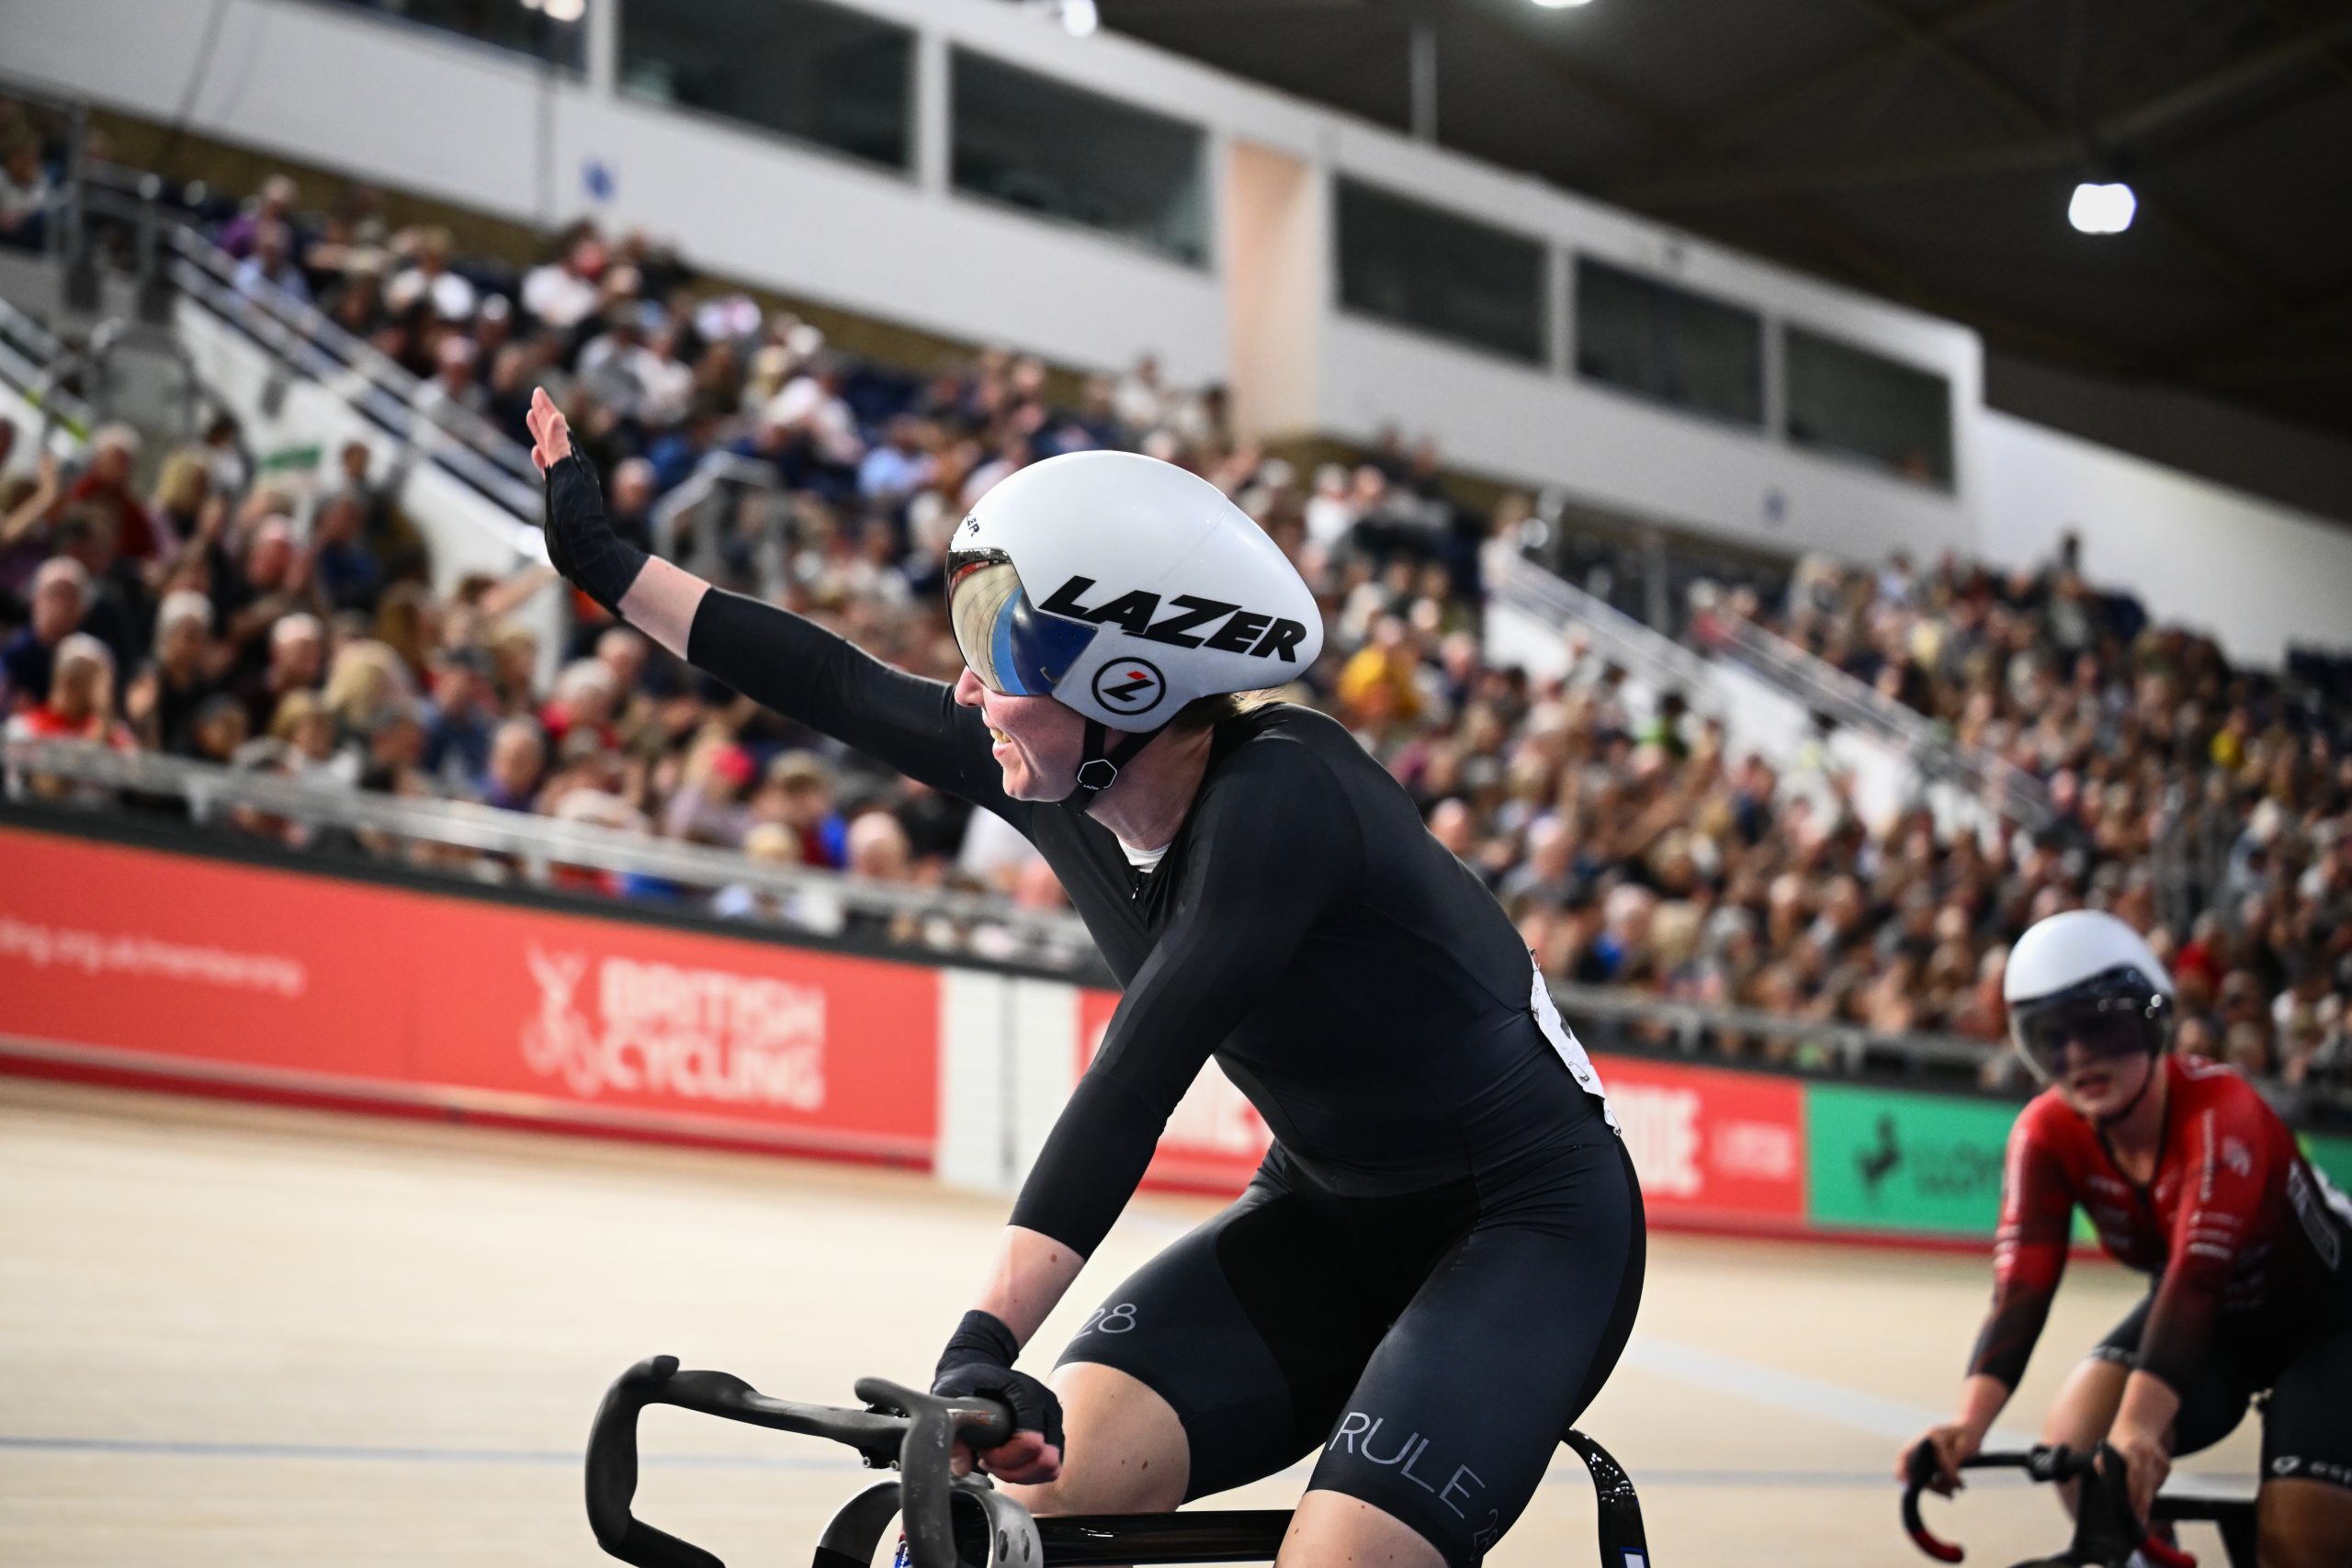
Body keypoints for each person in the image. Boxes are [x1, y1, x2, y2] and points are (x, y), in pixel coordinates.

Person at [526, 386, 1642, 1568]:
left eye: (998, 648)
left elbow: (1134, 1078)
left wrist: (980, 1343)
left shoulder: (1290, 796)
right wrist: (608, 566)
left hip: (1528, 1229)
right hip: (1323, 1219)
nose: (967, 689)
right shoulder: (1063, 770)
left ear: (1128, 684)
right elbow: (835, 684)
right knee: (992, 1521)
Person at [1901, 910, 2352, 1568]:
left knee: (2300, 1544)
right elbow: (2020, 1289)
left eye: (2101, 1028)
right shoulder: (2044, 1133)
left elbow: (2196, 1278)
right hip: (2214, 1323)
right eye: (2051, 1037)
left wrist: (2140, 1425)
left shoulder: (2222, 1109)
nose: (2079, 1056)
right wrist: (1968, 1423)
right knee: (2077, 1441)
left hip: (2329, 1325)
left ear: (2150, 1021)